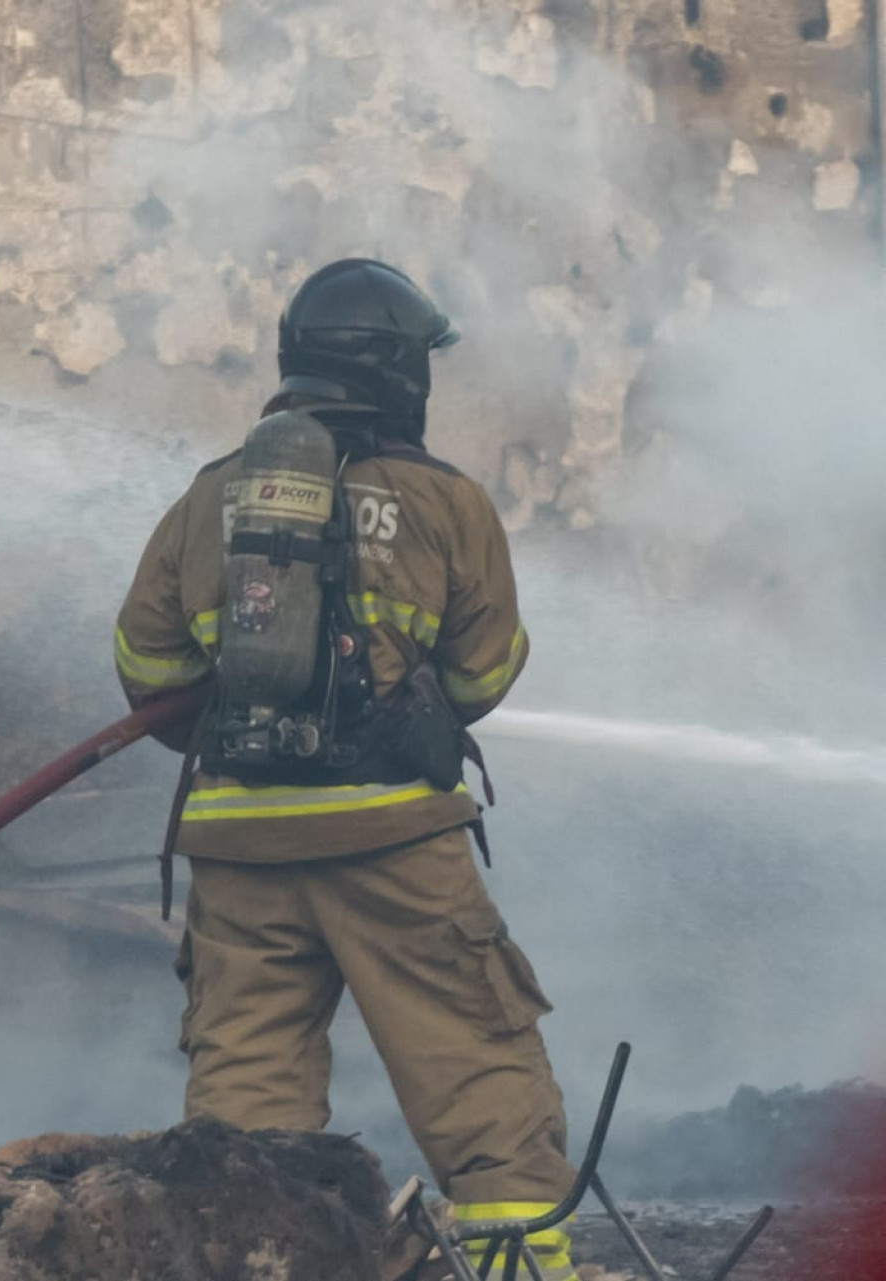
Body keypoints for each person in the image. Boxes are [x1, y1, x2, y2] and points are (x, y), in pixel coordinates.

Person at [113, 259, 579, 1280]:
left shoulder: (205, 502)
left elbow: (145, 668)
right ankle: (523, 1272)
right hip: (395, 840)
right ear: (402, 372)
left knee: (245, 1101)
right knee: (474, 1058)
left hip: (238, 848)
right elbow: (485, 668)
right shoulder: (443, 500)